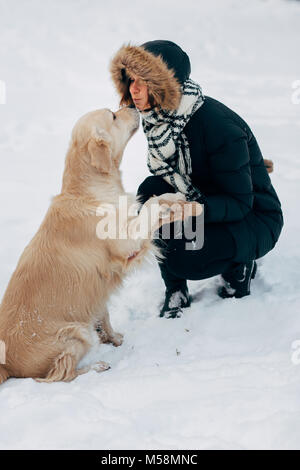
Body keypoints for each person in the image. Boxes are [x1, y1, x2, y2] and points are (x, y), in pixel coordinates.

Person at [110, 40, 284, 318]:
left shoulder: (219, 127)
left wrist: (191, 210)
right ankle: (176, 288)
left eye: (144, 81)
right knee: (149, 193)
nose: (134, 89)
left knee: (184, 256)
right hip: (205, 194)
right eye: (131, 80)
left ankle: (238, 266)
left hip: (253, 216)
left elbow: (240, 202)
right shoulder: (161, 119)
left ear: (166, 85)